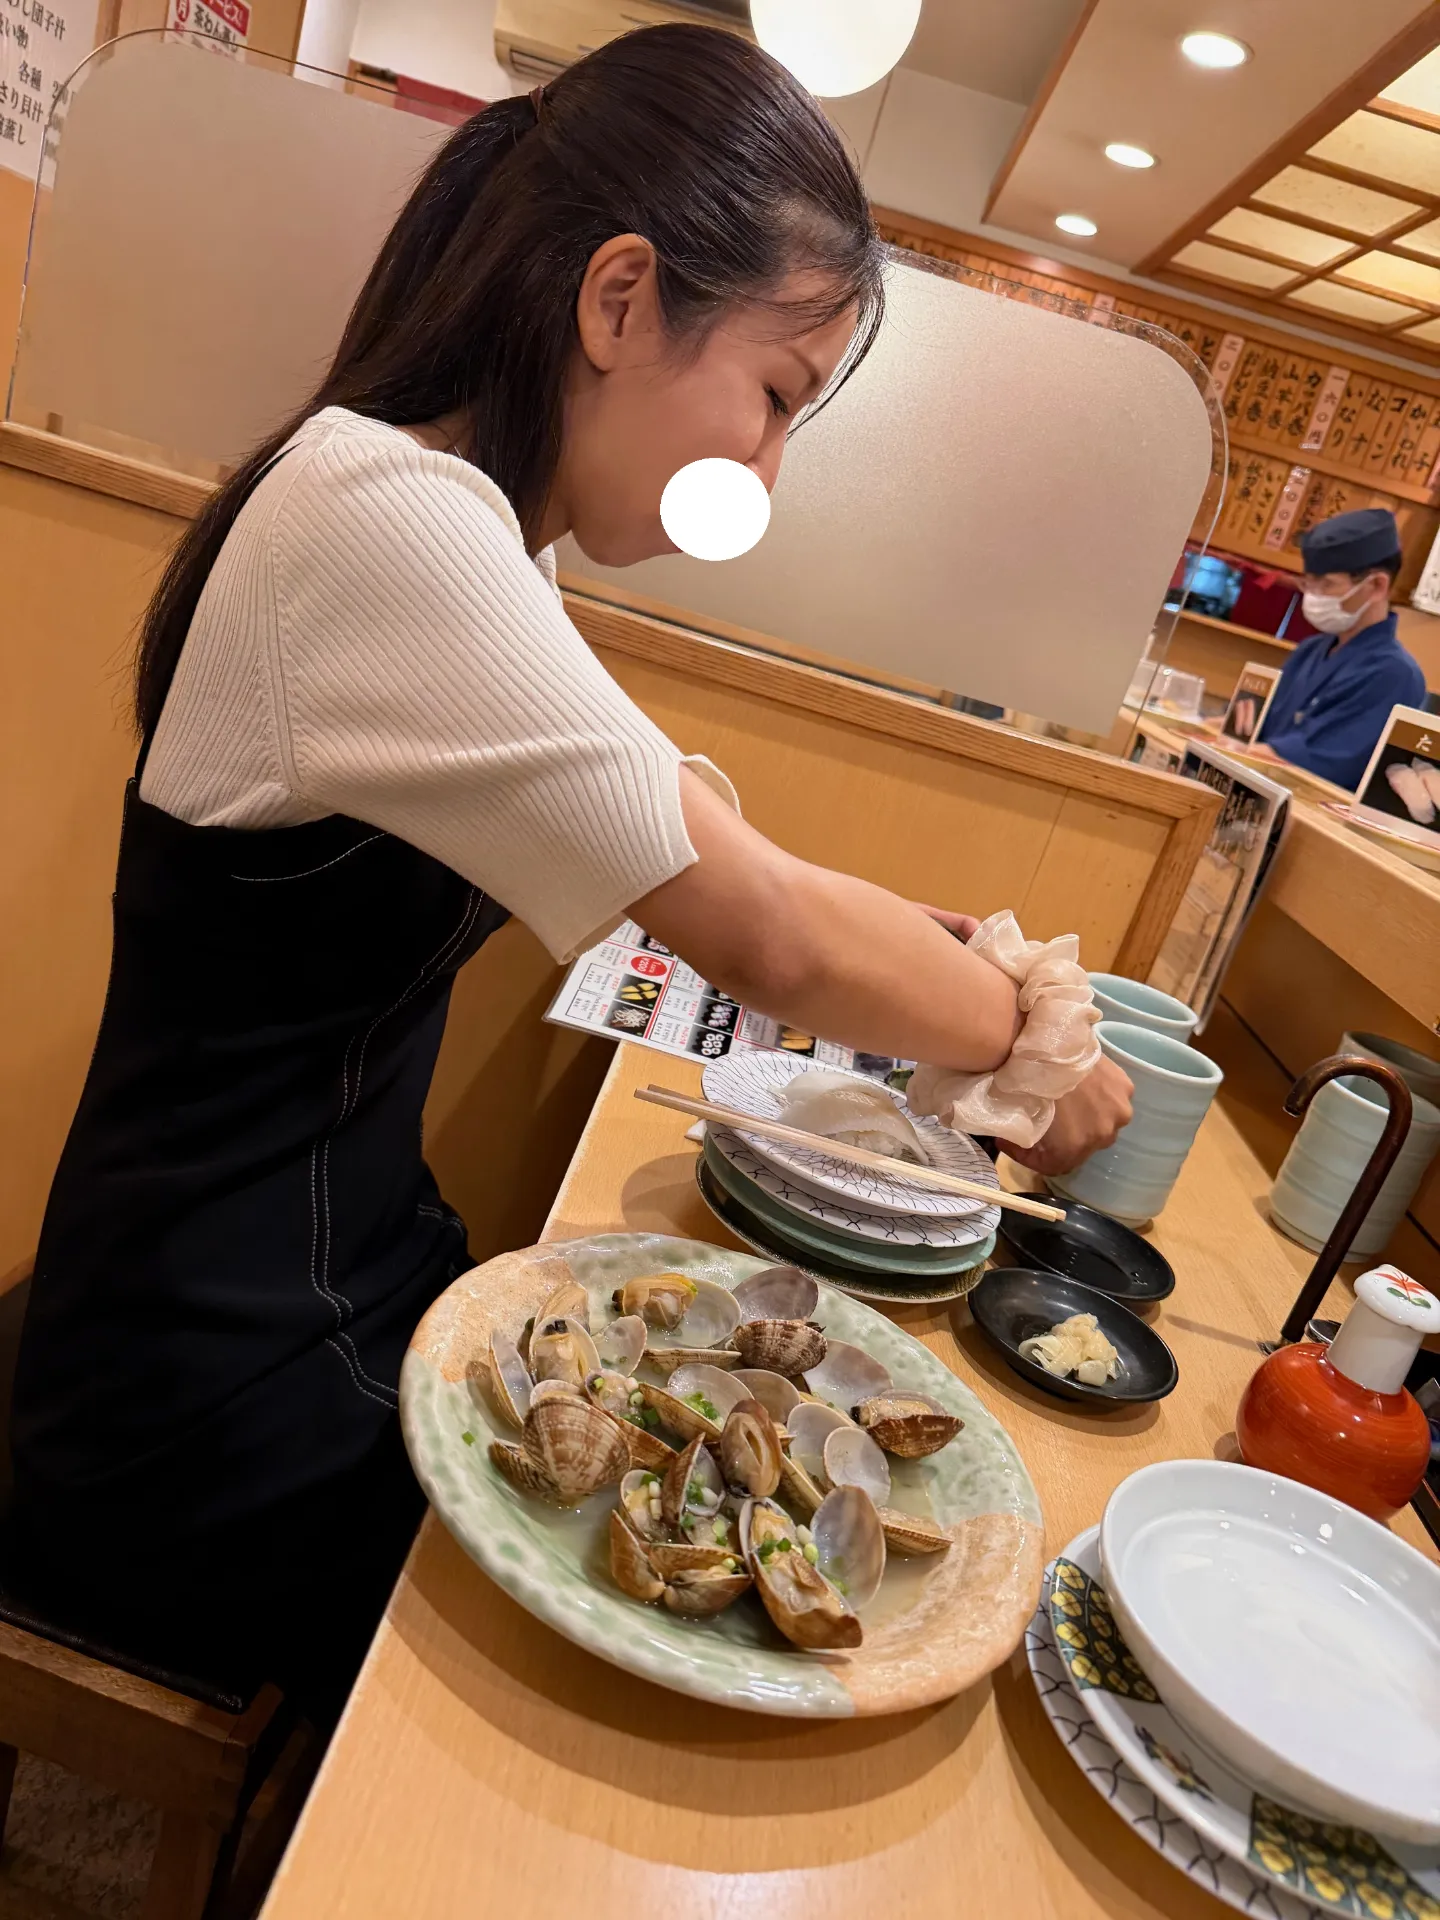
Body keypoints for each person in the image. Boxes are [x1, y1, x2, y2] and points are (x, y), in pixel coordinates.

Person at [6, 25, 1131, 1722]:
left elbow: (679, 825)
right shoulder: (386, 518)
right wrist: (1030, 1040)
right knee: (678, 1636)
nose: (764, 473)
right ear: (619, 298)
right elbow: (762, 932)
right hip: (201, 1387)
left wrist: (928, 948)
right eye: (774, 398)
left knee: (682, 1458)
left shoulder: (465, 521)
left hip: (324, 1277)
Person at [1251, 507, 1426, 789]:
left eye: (1327, 584)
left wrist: (1237, 749)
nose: (1313, 595)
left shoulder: (1394, 674)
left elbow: (1316, 763)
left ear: (1377, 586)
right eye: (1309, 582)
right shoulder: (1309, 651)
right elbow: (1251, 725)